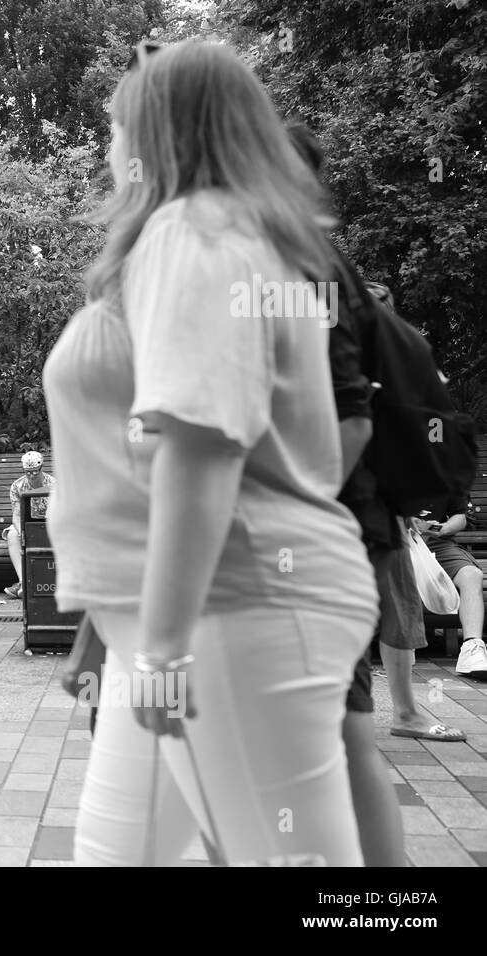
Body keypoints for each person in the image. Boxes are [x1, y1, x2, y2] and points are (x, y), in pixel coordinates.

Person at [43, 40, 378, 866]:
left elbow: (200, 448)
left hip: (229, 609)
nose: (106, 148)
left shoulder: (192, 230)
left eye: (116, 128)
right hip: (189, 613)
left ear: (158, 136)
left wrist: (162, 648)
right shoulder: (228, 237)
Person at [288, 119, 460, 867]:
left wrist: (288, 516)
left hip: (333, 526)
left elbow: (348, 418)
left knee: (326, 742)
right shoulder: (310, 263)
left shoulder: (301, 267)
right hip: (352, 522)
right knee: (342, 737)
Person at [417, 494, 487, 679]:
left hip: (436, 542)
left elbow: (460, 517)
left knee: (472, 575)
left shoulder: (449, 474)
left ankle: (472, 648)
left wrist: (442, 528)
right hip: (389, 541)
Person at [2, 451, 54, 599]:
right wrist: (20, 531)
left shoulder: (53, 484)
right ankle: (23, 582)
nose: (31, 475)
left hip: (48, 522)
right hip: (25, 523)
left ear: (41, 467)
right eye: (28, 472)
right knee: (12, 535)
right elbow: (17, 514)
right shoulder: (17, 486)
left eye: (35, 472)